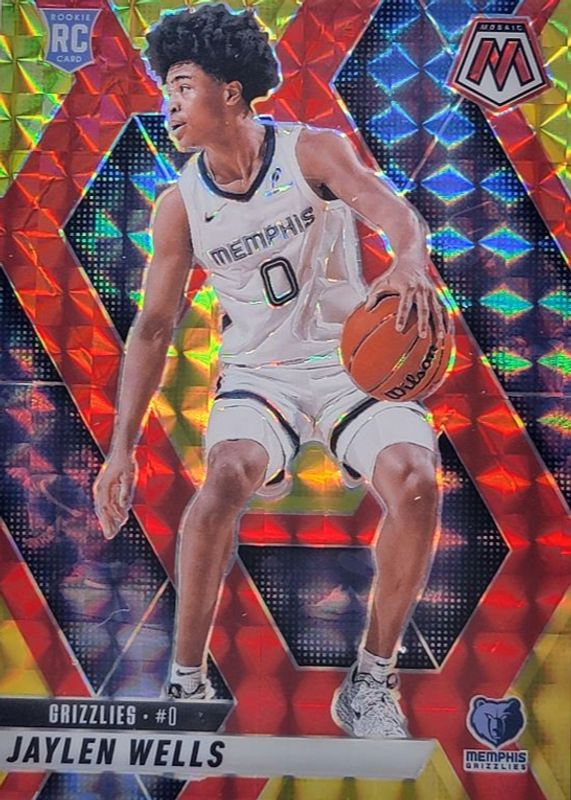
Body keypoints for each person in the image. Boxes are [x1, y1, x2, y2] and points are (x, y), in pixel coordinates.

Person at [93, 3, 445, 739]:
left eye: (182, 88)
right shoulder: (180, 205)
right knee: (224, 478)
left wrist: (409, 257)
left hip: (349, 365)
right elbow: (153, 329)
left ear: (229, 92)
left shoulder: (312, 151)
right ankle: (187, 685)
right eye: (166, 90)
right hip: (260, 375)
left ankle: (372, 679)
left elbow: (393, 211)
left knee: (416, 482)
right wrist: (120, 449)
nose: (169, 106)